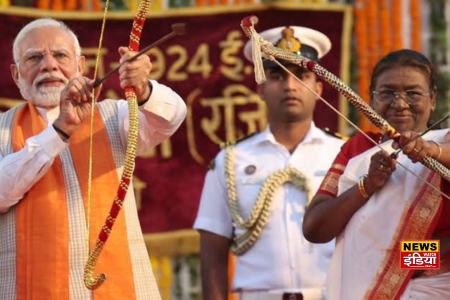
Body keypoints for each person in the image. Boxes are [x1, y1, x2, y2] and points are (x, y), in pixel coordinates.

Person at [0, 18, 186, 299]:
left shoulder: (114, 115)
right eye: (34, 57)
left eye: (60, 55)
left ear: (81, 66)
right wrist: (60, 130)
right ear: (16, 74)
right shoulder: (3, 128)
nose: (49, 65)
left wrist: (144, 89)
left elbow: (170, 117)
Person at [194, 26, 345, 300]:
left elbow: (387, 244)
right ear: (261, 89)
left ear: (319, 87)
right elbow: (212, 256)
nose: (290, 86)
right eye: (277, 76)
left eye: (302, 76)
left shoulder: (346, 155)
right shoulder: (230, 160)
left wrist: (425, 263)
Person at [303, 49, 450, 299]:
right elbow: (314, 228)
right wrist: (366, 185)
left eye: (413, 93)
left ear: (432, 99)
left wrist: (429, 150)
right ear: (371, 99)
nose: (400, 104)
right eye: (387, 93)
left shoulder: (442, 142)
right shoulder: (357, 149)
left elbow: (428, 253)